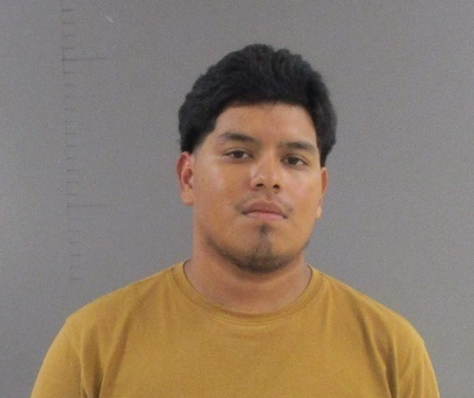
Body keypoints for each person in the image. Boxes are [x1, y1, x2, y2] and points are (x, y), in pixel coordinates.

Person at [31, 44, 439, 398]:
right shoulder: (92, 347)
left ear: (321, 191)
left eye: (294, 160)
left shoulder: (392, 354)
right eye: (238, 154)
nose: (268, 177)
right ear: (188, 177)